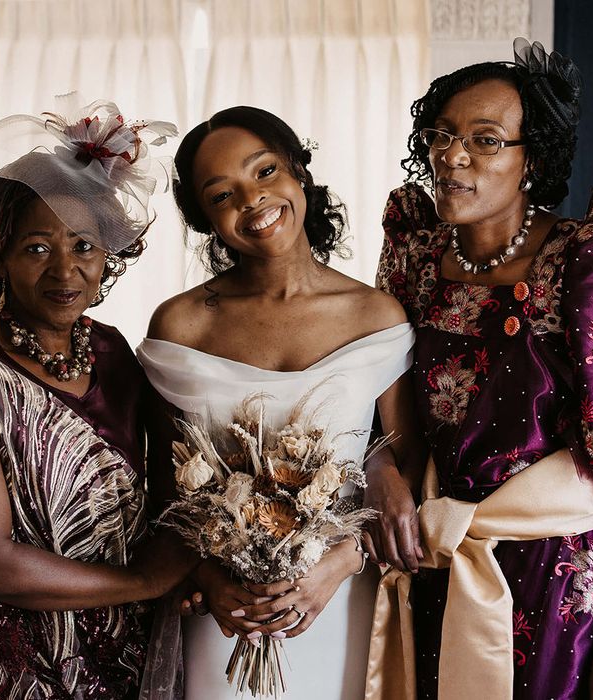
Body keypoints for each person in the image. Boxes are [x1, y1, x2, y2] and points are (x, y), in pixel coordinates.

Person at [366, 38, 593, 699]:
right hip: (439, 566)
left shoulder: (584, 259)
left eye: (486, 139)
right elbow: (372, 400)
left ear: (533, 161)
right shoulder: (413, 258)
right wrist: (379, 467)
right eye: (442, 135)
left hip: (563, 589)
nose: (451, 155)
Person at [0, 96, 198, 699]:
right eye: (37, 247)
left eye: (83, 245)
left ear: (109, 253)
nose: (65, 270)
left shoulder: (113, 355)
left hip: (104, 661)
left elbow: (171, 497)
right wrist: (145, 582)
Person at [136, 105, 425, 699]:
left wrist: (343, 562)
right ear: (206, 220)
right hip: (226, 614)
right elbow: (164, 490)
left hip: (341, 598)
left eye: (265, 171)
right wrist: (208, 577)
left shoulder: (376, 315)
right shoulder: (181, 324)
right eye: (222, 195)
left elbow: (408, 471)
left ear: (298, 171)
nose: (253, 200)